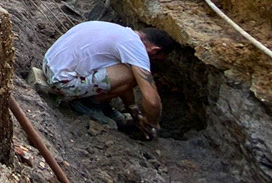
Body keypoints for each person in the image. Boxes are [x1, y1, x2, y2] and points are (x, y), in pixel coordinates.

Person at [41, 21, 176, 140]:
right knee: (134, 74)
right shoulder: (135, 47)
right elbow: (152, 101)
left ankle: (101, 104)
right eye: (155, 59)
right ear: (154, 50)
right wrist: (152, 123)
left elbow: (124, 84)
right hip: (63, 83)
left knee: (128, 71)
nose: (151, 62)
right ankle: (88, 104)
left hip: (49, 65)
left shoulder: (117, 31)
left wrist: (134, 112)